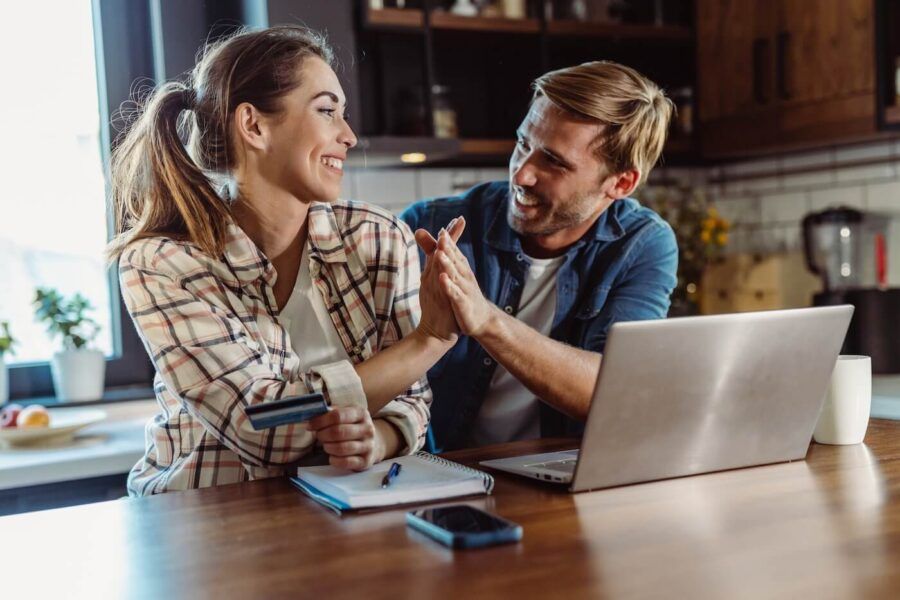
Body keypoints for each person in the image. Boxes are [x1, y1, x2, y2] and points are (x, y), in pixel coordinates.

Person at [108, 26, 462, 495]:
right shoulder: (161, 264)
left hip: (342, 515)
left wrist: (378, 438)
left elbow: (410, 396)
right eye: (327, 112)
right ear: (254, 126)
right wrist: (429, 340)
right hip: (202, 523)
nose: (349, 135)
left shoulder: (378, 237)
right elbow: (261, 428)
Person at [401, 61, 678, 451]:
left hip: (560, 476)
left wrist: (487, 320)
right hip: (448, 471)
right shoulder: (429, 225)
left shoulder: (640, 245)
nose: (521, 174)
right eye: (523, 144)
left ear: (621, 182)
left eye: (554, 161)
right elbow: (383, 376)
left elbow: (612, 393)